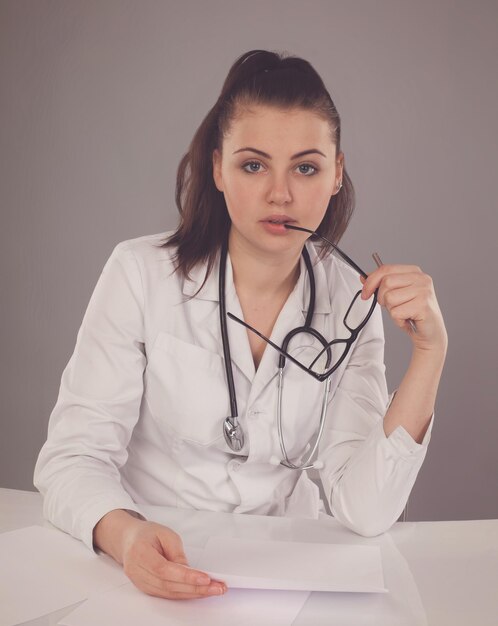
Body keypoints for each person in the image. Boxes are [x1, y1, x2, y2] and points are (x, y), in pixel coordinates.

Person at [34, 49, 448, 601]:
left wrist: (430, 352)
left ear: (336, 173)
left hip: (286, 578)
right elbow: (71, 459)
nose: (280, 193)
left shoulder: (353, 300)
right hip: (146, 566)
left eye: (306, 167)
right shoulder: (141, 274)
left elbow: (367, 509)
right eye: (254, 165)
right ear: (217, 168)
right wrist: (126, 536)